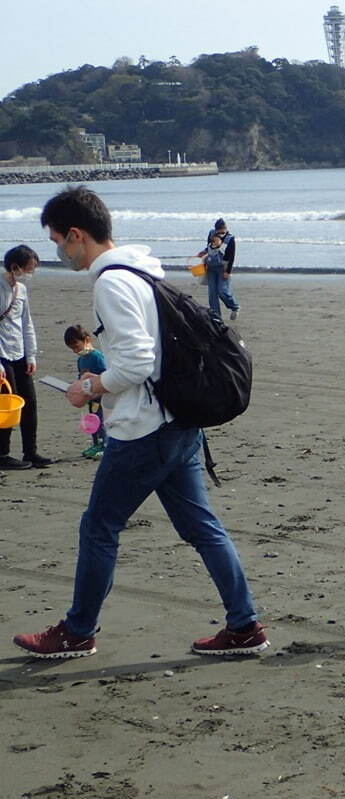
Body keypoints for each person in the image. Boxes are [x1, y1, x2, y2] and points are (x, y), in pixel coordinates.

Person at [12, 186, 268, 659]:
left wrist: (86, 388)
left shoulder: (112, 282)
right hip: (179, 422)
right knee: (201, 527)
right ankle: (245, 625)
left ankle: (77, 630)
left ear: (76, 235)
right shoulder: (142, 272)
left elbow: (135, 363)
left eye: (56, 241)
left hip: (144, 429)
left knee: (99, 527)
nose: (57, 251)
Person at [0, 245, 52, 470]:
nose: (30, 273)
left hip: (19, 352)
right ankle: (2, 453)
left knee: (29, 402)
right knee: (8, 404)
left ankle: (30, 451)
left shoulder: (21, 290)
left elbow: (26, 323)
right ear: (15, 267)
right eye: (29, 269)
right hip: (1, 355)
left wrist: (31, 354)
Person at [64, 323, 108, 459]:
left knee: (102, 420)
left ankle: (104, 444)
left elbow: (106, 375)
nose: (76, 351)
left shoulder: (96, 357)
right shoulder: (81, 360)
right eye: (72, 349)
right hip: (90, 397)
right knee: (92, 421)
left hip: (101, 397)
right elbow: (80, 378)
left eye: (77, 346)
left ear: (87, 340)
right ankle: (96, 443)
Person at [198, 220, 239, 322]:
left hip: (223, 268)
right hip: (211, 267)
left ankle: (234, 307)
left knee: (223, 291)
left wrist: (228, 272)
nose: (220, 234)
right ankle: (217, 318)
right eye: (218, 232)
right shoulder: (211, 234)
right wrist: (203, 252)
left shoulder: (230, 239)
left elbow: (231, 257)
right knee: (212, 294)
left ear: (225, 229)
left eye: (222, 232)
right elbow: (209, 247)